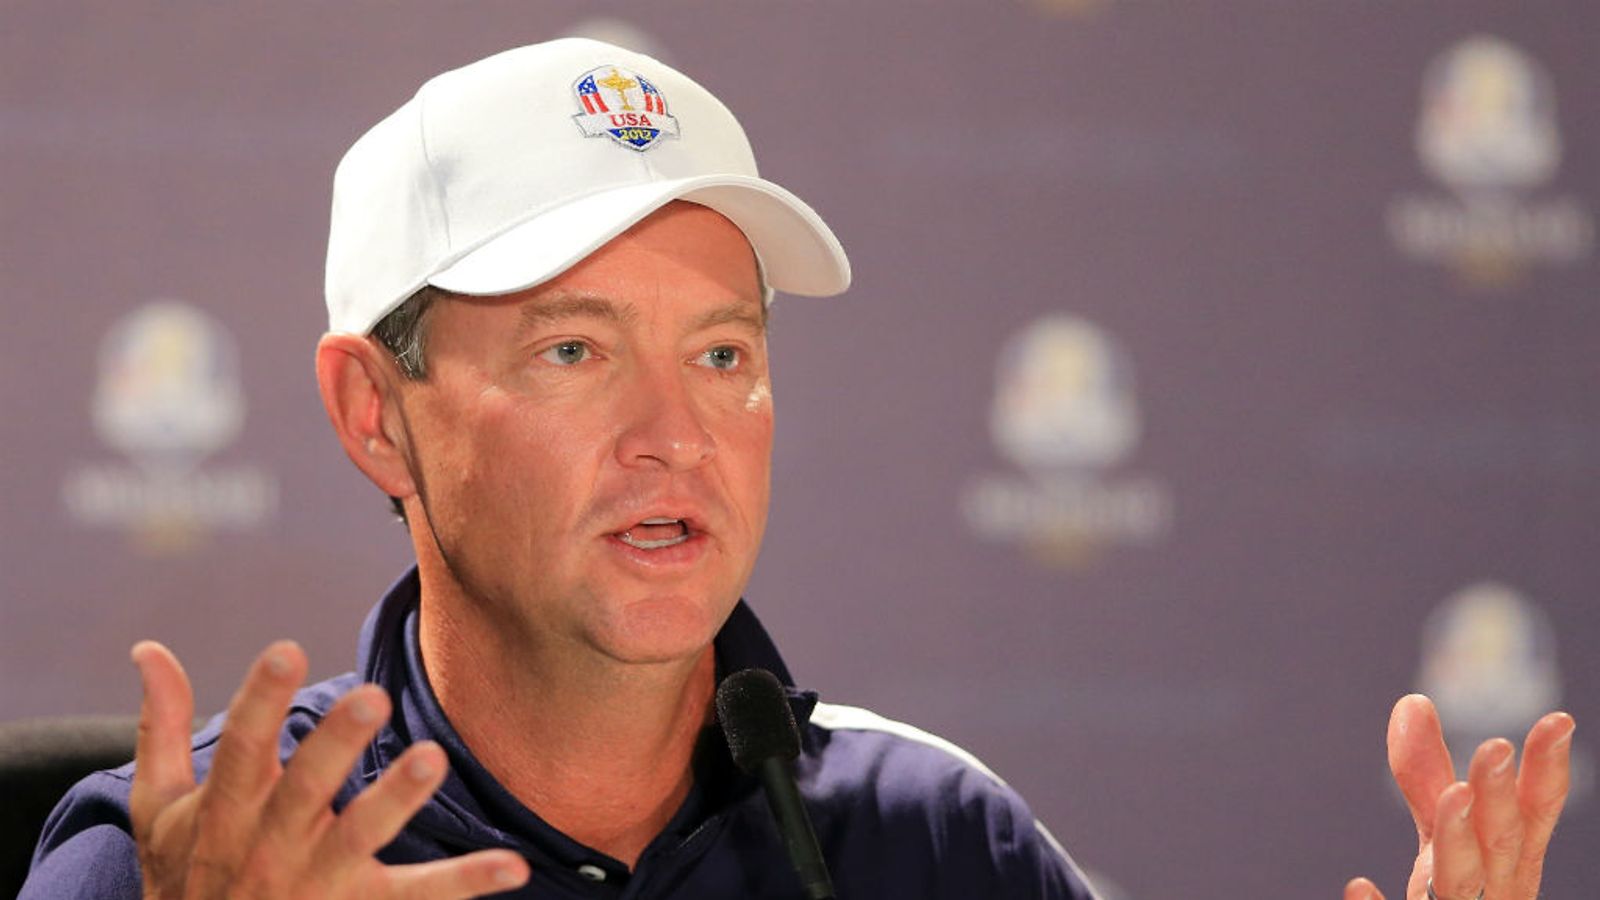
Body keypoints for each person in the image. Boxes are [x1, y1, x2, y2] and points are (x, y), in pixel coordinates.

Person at [20, 39, 1574, 900]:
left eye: (722, 355)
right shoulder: (185, 867)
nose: (675, 435)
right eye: (573, 352)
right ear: (376, 413)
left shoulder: (937, 842)